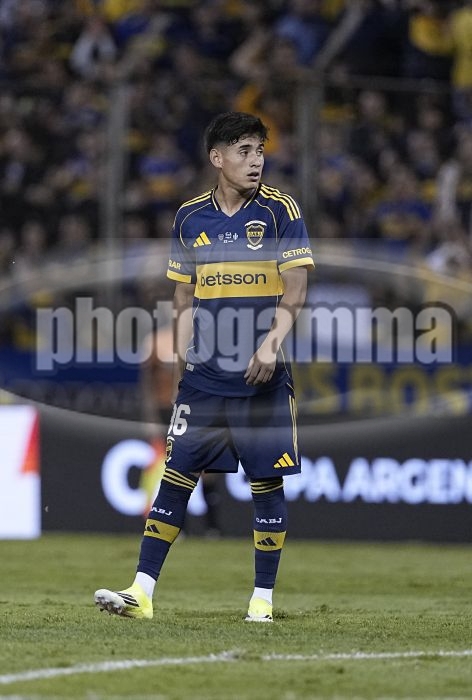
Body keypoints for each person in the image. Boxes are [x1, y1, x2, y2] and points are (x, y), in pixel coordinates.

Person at [94, 111, 314, 622]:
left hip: (261, 376)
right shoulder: (190, 217)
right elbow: (182, 299)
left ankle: (262, 600)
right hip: (204, 379)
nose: (256, 161)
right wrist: (180, 366)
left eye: (260, 151)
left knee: (265, 483)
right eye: (244, 151)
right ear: (217, 158)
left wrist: (271, 344)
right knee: (176, 475)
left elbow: (297, 287)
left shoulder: (281, 211)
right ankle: (141, 592)